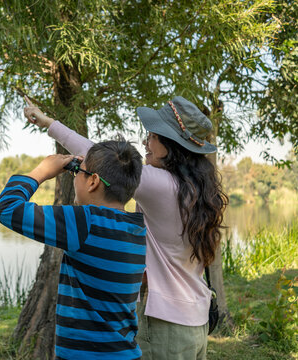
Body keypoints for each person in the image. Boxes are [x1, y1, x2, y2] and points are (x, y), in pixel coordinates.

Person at [23, 96, 228, 360]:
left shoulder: (162, 185)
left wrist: (48, 123)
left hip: (165, 325)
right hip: (195, 320)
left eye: (152, 136)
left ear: (172, 145)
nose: (145, 142)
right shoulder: (199, 188)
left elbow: (100, 156)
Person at [0, 139, 146, 359]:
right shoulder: (136, 228)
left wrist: (43, 171)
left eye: (77, 172)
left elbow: (6, 208)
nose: (75, 178)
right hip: (126, 353)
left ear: (93, 181)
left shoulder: (85, 222)